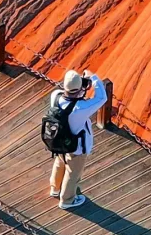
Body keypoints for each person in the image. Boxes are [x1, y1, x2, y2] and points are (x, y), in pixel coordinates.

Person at [45, 69, 107, 209]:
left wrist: (79, 88)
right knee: (73, 174)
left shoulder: (55, 96)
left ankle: (55, 188)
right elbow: (102, 98)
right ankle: (67, 200)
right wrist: (93, 78)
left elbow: (67, 94)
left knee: (60, 162)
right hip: (76, 146)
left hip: (59, 140)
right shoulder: (80, 108)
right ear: (79, 88)